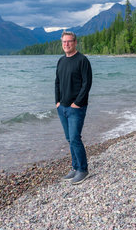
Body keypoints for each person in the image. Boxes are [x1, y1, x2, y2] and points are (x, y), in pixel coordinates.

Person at [55, 31, 92, 185]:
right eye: (64, 42)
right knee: (70, 139)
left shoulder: (82, 60)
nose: (66, 44)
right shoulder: (61, 61)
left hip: (76, 108)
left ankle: (83, 170)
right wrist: (57, 101)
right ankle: (75, 167)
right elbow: (57, 82)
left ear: (75, 42)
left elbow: (87, 83)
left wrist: (77, 103)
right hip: (62, 107)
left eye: (69, 41)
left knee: (75, 138)